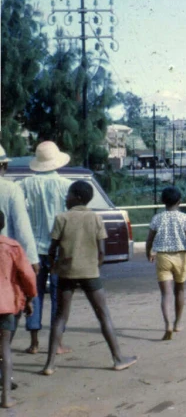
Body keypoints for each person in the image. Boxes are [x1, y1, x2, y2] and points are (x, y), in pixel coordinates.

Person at [40, 180, 137, 375]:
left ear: (76, 197)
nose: (65, 198)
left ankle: (49, 365)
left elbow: (52, 249)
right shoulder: (95, 218)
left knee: (60, 317)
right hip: (90, 273)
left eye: (68, 194)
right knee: (103, 315)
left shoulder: (61, 218)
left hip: (67, 273)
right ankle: (118, 358)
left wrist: (54, 265)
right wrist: (94, 265)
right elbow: (101, 251)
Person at [19, 141, 72, 356]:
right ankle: (57, 343)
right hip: (59, 247)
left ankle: (34, 342)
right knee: (60, 296)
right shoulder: (67, 185)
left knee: (34, 294)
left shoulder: (24, 185)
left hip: (33, 248)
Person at [145, 186, 186, 341]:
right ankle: (178, 323)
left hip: (163, 257)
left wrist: (149, 253)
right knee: (179, 291)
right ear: (179, 201)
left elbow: (149, 240)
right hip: (181, 257)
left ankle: (167, 324)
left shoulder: (157, 218)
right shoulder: (185, 218)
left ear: (162, 201)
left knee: (165, 294)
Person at [0, 211, 37, 409]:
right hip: (5, 305)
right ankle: (6, 397)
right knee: (4, 348)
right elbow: (28, 277)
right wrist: (30, 298)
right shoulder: (12, 247)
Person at [0, 144, 38, 272]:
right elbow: (22, 226)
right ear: (4, 166)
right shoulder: (11, 189)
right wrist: (32, 259)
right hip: (4, 256)